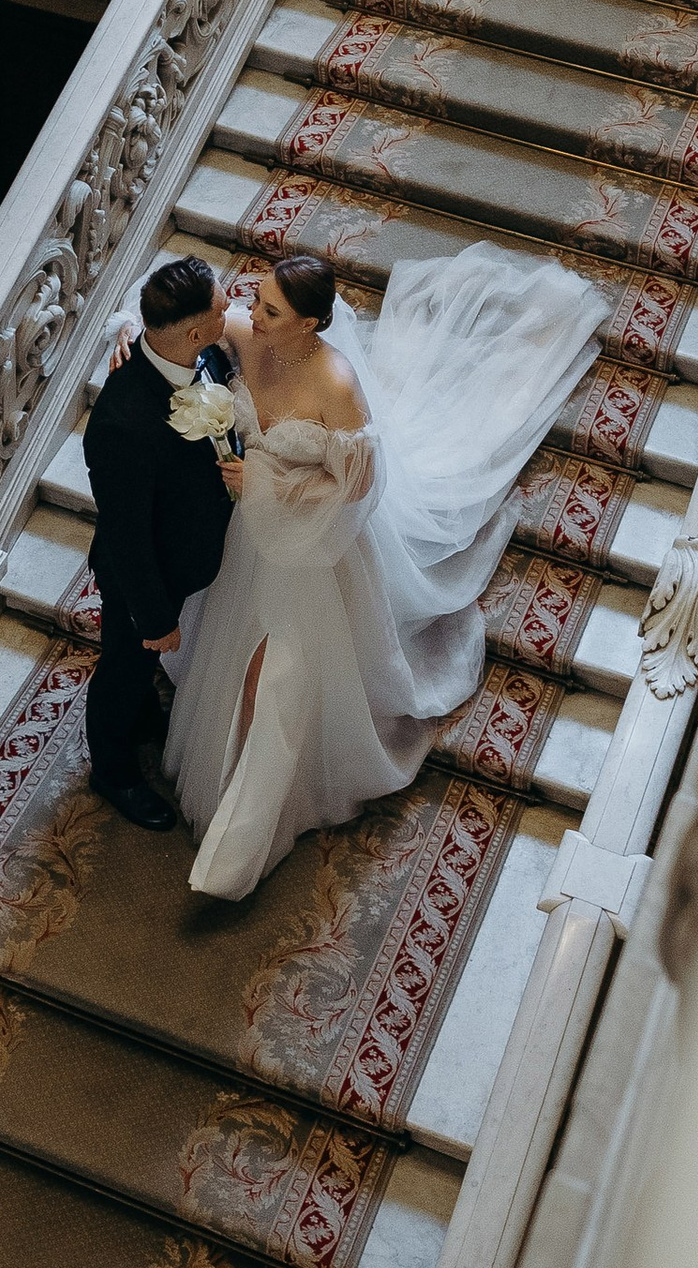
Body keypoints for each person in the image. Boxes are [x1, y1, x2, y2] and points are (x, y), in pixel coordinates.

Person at [164, 240, 603, 902]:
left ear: (310, 325)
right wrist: (128, 341)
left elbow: (356, 486)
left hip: (314, 551)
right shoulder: (249, 335)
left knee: (278, 680)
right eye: (258, 301)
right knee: (236, 660)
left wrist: (265, 482)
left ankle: (240, 850)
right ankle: (228, 785)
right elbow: (185, 318)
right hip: (249, 544)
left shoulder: (335, 385)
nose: (254, 314)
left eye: (272, 310)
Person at [80, 252, 237, 831]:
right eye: (223, 303)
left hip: (188, 552)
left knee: (140, 679)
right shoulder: (122, 423)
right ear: (195, 329)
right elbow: (128, 537)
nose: (232, 304)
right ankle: (113, 771)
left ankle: (146, 713)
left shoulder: (206, 354)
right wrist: (153, 619)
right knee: (123, 666)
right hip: (143, 578)